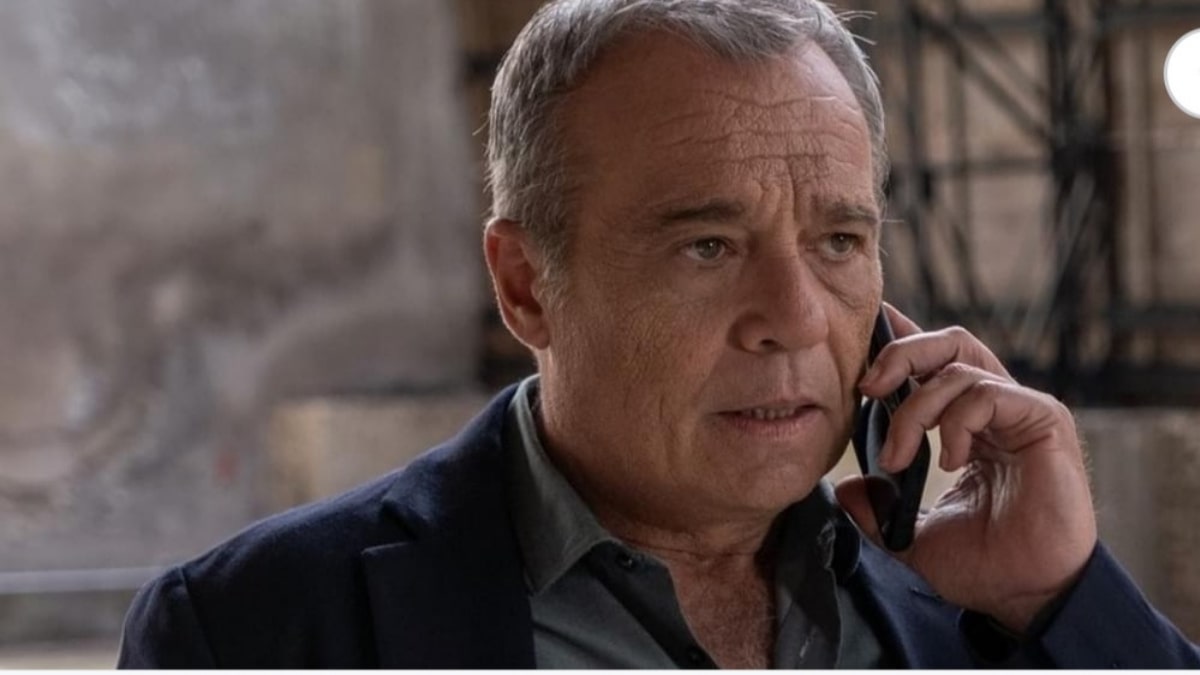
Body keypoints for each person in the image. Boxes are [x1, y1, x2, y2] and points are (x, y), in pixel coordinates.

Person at [118, 0, 1200, 668]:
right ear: (527, 286)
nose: (794, 318)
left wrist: (1062, 599)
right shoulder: (257, 629)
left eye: (838, 241)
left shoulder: (982, 613)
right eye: (707, 246)